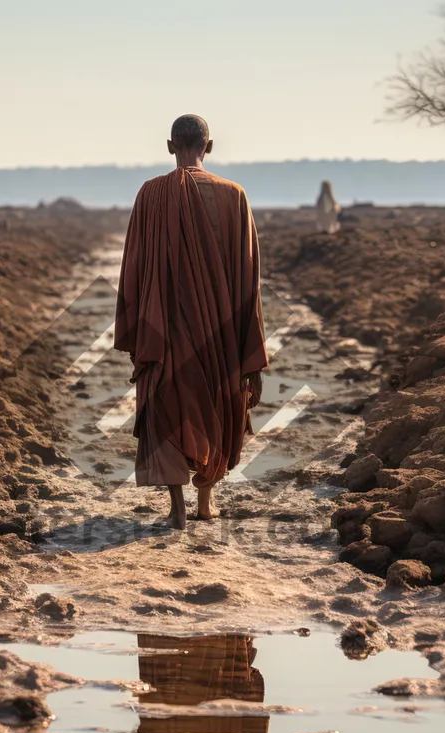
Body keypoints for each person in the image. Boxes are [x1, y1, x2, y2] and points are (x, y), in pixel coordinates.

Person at [115, 115, 269, 529]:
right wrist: (251, 353)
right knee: (217, 404)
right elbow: (247, 282)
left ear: (169, 146)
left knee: (166, 403)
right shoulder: (234, 196)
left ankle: (177, 507)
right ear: (210, 145)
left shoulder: (149, 195)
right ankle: (206, 501)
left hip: (164, 330)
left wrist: (136, 329)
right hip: (217, 333)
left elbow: (133, 266)